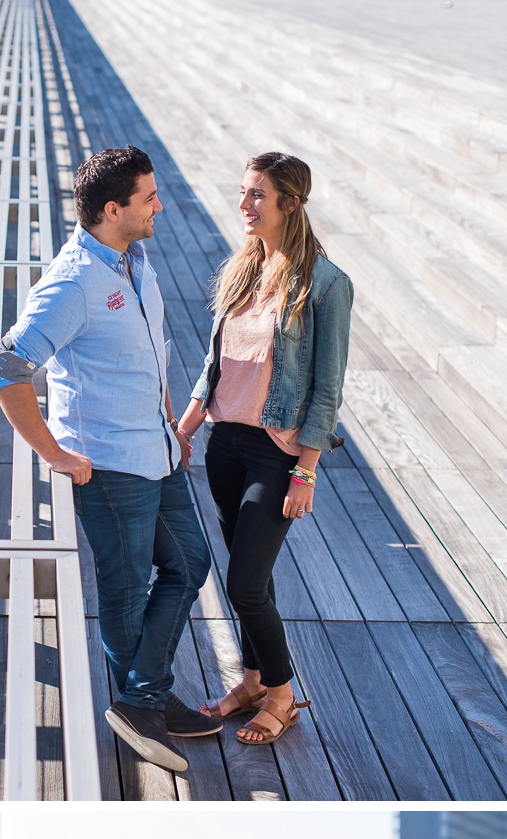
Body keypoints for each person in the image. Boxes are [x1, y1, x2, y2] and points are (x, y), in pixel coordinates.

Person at [0, 144, 219, 774]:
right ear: (112, 209)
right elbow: (7, 369)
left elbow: (151, 349)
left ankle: (145, 698)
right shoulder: (72, 283)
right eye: (148, 198)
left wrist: (171, 417)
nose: (159, 206)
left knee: (190, 562)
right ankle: (144, 703)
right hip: (110, 464)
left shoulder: (134, 257)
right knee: (123, 589)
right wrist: (55, 454)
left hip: (158, 447)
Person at [177, 152, 353, 745]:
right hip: (227, 440)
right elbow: (217, 360)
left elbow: (328, 385)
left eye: (258, 195)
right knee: (254, 574)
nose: (245, 204)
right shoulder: (242, 269)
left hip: (276, 452)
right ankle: (251, 682)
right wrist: (190, 421)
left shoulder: (326, 284)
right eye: (244, 192)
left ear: (290, 203)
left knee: (245, 583)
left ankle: (281, 693)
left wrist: (306, 469)